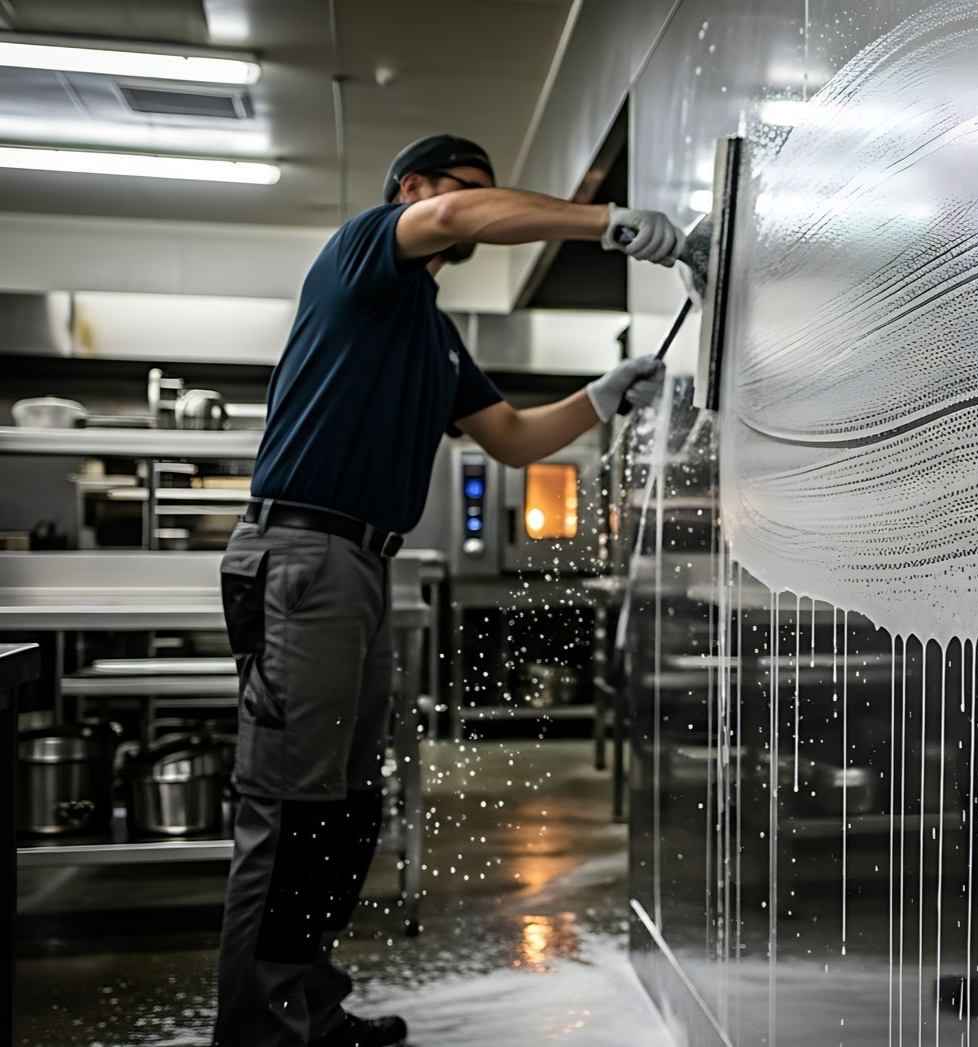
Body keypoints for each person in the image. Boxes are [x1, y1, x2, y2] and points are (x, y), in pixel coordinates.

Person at [212, 133, 683, 1047]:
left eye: (478, 191)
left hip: (358, 568)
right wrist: (611, 223)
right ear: (411, 190)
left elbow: (509, 438)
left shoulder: (433, 336)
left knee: (344, 809)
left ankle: (307, 1006)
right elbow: (461, 215)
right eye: (458, 188)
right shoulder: (362, 252)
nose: (469, 206)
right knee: (292, 809)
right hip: (302, 555)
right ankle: (256, 1034)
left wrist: (602, 396)